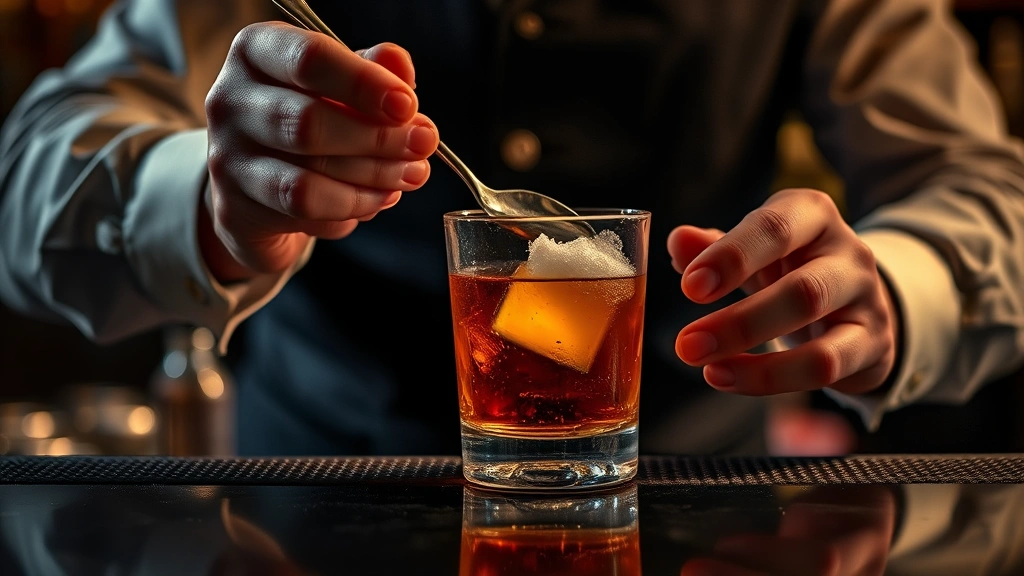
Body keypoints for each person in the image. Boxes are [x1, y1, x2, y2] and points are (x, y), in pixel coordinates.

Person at [0, 0, 1022, 456]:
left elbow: (983, 186)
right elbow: (28, 180)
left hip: (690, 516)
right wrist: (209, 198)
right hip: (305, 516)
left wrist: (896, 283)